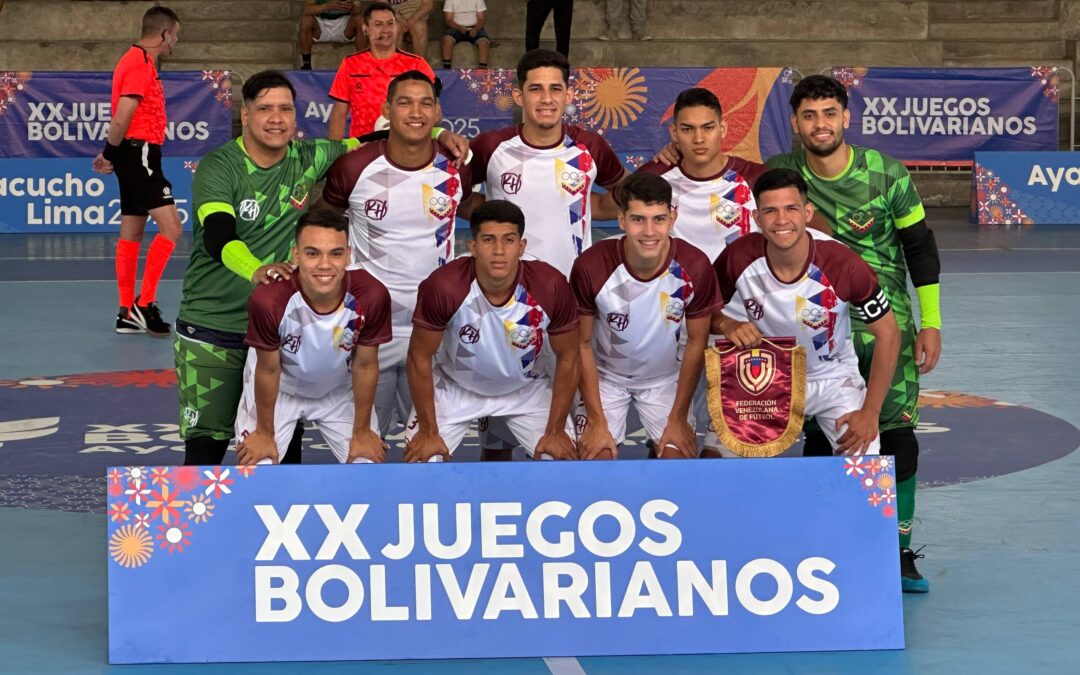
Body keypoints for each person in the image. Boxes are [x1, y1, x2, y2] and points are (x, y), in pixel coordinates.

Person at [767, 74, 942, 593]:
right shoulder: (780, 173)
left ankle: (898, 549)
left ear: (846, 117)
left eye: (829, 113)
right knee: (825, 432)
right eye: (808, 115)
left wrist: (930, 321)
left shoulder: (885, 174)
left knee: (896, 434)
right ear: (795, 123)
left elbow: (920, 248)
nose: (820, 124)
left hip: (883, 324)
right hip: (813, 324)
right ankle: (825, 542)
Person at [178, 70, 366, 466]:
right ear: (245, 115)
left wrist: (437, 136)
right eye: (265, 109)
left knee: (280, 449)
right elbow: (217, 235)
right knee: (206, 448)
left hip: (278, 330)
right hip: (214, 327)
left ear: (296, 118)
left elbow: (371, 142)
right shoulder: (219, 167)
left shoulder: (308, 157)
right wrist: (256, 270)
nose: (276, 118)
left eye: (285, 109)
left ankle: (278, 527)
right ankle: (199, 529)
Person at [461, 48, 626, 460]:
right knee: (498, 428)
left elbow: (620, 198)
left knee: (568, 429)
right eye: (535, 89)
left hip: (571, 302)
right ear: (519, 96)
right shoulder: (491, 148)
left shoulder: (590, 147)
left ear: (568, 94)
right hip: (504, 302)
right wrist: (486, 219)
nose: (546, 98)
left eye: (556, 88)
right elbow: (453, 196)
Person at [319, 70, 473, 442]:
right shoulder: (354, 167)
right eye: (404, 102)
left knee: (429, 449)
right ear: (387, 109)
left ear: (437, 113)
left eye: (425, 103)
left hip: (433, 329)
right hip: (370, 330)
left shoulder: (456, 168)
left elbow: (474, 211)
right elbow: (320, 227)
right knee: (364, 447)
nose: (415, 112)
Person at [707, 168, 900, 461]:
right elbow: (698, 311)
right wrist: (725, 322)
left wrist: (870, 412)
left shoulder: (844, 264)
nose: (782, 220)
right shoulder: (739, 256)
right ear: (757, 219)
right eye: (770, 211)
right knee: (716, 461)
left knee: (865, 466)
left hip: (832, 376)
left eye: (791, 209)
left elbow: (889, 334)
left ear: (808, 212)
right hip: (764, 377)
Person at [404, 200, 580, 462]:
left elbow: (569, 357)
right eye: (488, 240)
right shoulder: (443, 287)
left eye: (509, 240)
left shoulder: (550, 285)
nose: (499, 250)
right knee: (423, 461)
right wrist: (428, 431)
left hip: (526, 388)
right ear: (473, 246)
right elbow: (418, 356)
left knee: (559, 459)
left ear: (522, 247)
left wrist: (555, 430)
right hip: (455, 388)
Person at [571, 173, 719, 460]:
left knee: (677, 464)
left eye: (659, 219)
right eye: (638, 219)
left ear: (672, 218)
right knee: (595, 460)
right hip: (604, 378)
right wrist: (597, 421)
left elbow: (697, 341)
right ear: (621, 220)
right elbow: (582, 344)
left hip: (664, 379)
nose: (649, 231)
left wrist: (677, 417)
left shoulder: (695, 265)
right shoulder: (591, 265)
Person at [234, 208, 392, 465]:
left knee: (367, 465)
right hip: (280, 389)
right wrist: (264, 432)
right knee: (257, 467)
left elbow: (365, 365)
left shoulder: (371, 295)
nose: (325, 265)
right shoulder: (269, 300)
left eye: (336, 253)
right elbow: (268, 371)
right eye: (312, 253)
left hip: (339, 390)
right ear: (296, 254)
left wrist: (362, 431)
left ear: (349, 255)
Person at [594, 87, 764, 265]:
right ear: (674, 133)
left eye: (708, 127)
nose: (699, 138)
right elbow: (599, 208)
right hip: (674, 291)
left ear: (722, 128)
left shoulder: (754, 178)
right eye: (688, 129)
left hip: (739, 292)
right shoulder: (655, 175)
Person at [92, 6, 183, 337]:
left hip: (137, 154)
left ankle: (126, 313)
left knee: (131, 230)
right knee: (172, 228)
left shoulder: (136, 61)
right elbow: (123, 115)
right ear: (163, 34)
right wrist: (109, 154)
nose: (174, 43)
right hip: (139, 153)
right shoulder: (140, 64)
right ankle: (145, 304)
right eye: (174, 36)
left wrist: (114, 155)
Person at [327, 1, 435, 139]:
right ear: (365, 29)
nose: (386, 30)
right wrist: (334, 154)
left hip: (408, 150)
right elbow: (339, 115)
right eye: (378, 24)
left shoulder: (417, 64)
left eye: (390, 23)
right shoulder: (350, 64)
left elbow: (434, 113)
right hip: (363, 149)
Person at [298, 0, 365, 71]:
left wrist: (352, 7)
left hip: (344, 25)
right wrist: (326, 6)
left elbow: (358, 10)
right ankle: (306, 64)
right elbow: (307, 9)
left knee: (360, 19)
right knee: (306, 20)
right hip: (321, 24)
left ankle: (360, 63)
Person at [441, 0, 491, 69]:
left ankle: (482, 71)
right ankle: (447, 70)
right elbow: (448, 20)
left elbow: (482, 19)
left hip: (474, 27)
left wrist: (476, 29)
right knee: (446, 40)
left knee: (484, 43)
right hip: (456, 27)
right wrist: (458, 27)